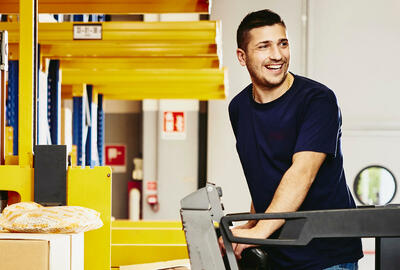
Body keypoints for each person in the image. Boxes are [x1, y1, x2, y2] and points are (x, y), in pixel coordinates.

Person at [221, 9, 364, 270]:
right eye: (264, 46)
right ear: (242, 57)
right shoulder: (239, 108)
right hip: (280, 254)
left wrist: (260, 230)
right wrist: (252, 224)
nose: (277, 55)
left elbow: (302, 173)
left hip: (327, 256)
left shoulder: (317, 101)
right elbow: (264, 175)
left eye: (283, 43)